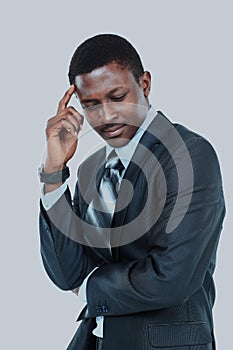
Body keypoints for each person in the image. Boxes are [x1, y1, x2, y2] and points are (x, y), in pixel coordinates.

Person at [39, 34, 225, 350]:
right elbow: (67, 273)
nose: (107, 116)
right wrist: (54, 173)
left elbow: (170, 277)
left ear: (145, 84)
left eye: (118, 96)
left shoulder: (189, 155)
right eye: (91, 104)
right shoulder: (91, 169)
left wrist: (90, 288)